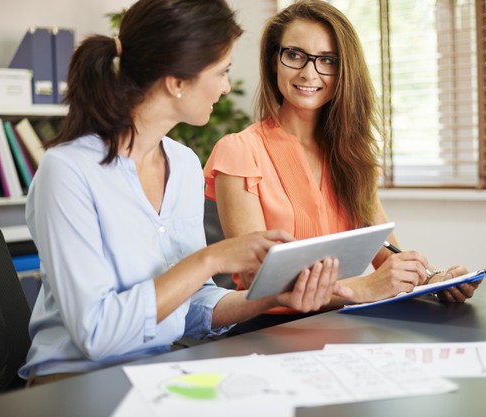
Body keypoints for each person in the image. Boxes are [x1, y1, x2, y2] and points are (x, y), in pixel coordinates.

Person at [19, 0, 351, 386]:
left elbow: (193, 307)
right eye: (222, 71)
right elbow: (97, 333)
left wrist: (276, 298)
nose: (227, 87)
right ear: (177, 81)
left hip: (160, 372)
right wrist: (209, 260)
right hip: (74, 381)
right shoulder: (68, 171)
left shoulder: (184, 164)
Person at [203, 0, 479, 334]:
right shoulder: (238, 150)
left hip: (345, 323)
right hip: (268, 329)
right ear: (274, 60)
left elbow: (387, 255)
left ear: (344, 70)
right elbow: (256, 279)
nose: (309, 72)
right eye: (294, 55)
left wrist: (433, 280)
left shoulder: (351, 154)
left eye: (327, 61)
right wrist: (358, 290)